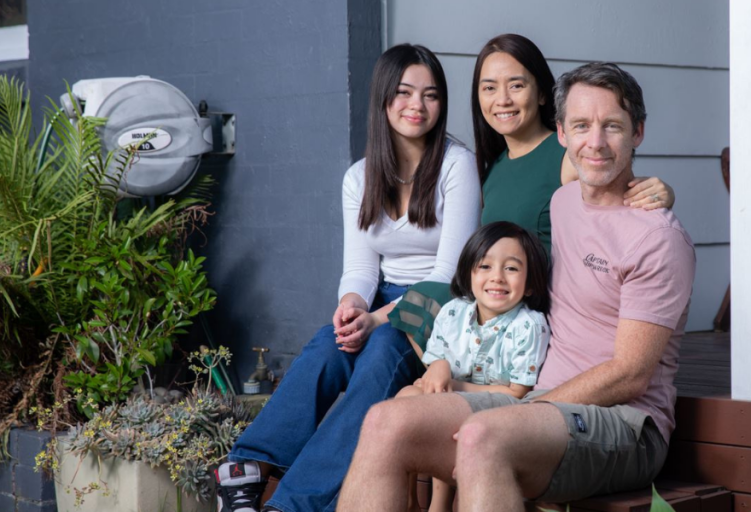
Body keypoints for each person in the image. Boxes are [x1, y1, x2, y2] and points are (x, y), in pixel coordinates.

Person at [338, 62, 696, 510]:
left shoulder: (656, 237)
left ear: (638, 133)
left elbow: (630, 375)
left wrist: (523, 410)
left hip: (624, 423)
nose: (596, 142)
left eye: (613, 127)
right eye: (582, 126)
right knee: (385, 422)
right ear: (562, 135)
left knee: (483, 437)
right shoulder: (564, 202)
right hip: (540, 400)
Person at [215, 44, 480, 512]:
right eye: (403, 92)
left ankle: (293, 504)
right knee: (328, 345)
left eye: (431, 95)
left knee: (378, 353)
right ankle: (247, 467)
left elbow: (447, 274)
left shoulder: (456, 165)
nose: (417, 106)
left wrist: (377, 320)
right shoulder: (359, 177)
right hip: (382, 302)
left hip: (442, 310)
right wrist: (354, 305)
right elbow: (359, 268)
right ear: (382, 98)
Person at [390, 33, 676, 352]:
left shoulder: (563, 153)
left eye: (516, 85)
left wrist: (660, 191)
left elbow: (613, 195)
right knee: (419, 306)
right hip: (499, 298)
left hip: (538, 306)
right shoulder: (494, 167)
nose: (502, 100)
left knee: (418, 310)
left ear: (541, 94)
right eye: (489, 88)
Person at [395, 221, 551, 512]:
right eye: (485, 266)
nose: (498, 277)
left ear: (530, 284)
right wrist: (439, 367)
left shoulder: (529, 325)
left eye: (512, 268)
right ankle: (409, 502)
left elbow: (517, 392)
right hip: (449, 399)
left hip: (498, 410)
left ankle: (440, 505)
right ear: (469, 274)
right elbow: (437, 355)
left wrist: (454, 387)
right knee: (405, 399)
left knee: (443, 410)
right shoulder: (454, 311)